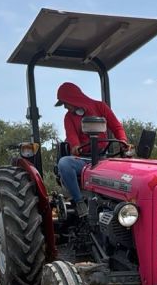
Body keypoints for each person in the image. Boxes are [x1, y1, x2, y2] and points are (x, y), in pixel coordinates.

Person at [55, 82, 130, 216]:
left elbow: (117, 127)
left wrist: (123, 140)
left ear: (73, 99)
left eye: (65, 103)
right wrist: (75, 146)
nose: (65, 107)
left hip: (103, 159)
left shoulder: (100, 107)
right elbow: (72, 136)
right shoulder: (69, 117)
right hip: (84, 160)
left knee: (131, 167)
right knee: (64, 163)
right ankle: (80, 202)